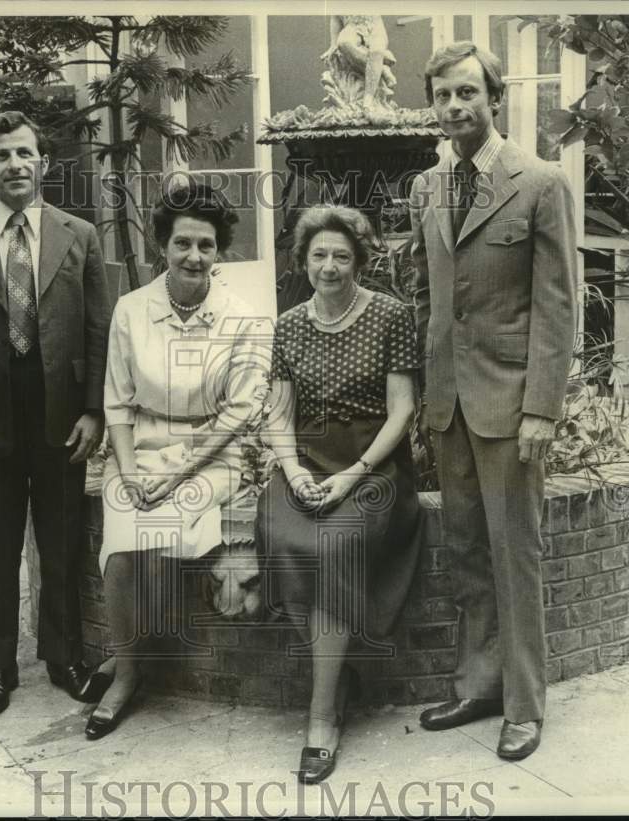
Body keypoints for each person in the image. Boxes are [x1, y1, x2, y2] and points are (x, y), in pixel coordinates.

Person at [409, 42, 577, 760]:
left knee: (517, 555)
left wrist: (542, 406)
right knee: (468, 551)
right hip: (450, 406)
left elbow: (559, 306)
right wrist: (424, 398)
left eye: (467, 94)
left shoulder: (539, 183)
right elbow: (428, 296)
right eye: (444, 95)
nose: (455, 107)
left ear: (493, 98)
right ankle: (478, 684)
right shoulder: (427, 187)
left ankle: (524, 704)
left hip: (511, 405)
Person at [0, 110, 112, 717]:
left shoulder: (79, 235)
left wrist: (95, 412)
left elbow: (96, 328)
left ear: (44, 163)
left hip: (62, 411)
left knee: (61, 542)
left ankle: (65, 659)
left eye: (24, 154)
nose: (14, 165)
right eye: (2, 156)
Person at [86, 182, 270, 740]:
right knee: (122, 542)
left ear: (219, 252)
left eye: (207, 246)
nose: (194, 256)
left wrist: (178, 473)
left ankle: (132, 656)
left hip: (212, 458)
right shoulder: (130, 310)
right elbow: (116, 404)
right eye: (182, 243)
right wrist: (130, 470)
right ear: (162, 246)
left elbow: (239, 415)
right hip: (139, 451)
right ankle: (129, 671)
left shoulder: (243, 317)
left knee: (163, 533)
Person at [255, 205, 424, 784]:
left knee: (334, 548)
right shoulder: (290, 324)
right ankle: (339, 672)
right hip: (306, 460)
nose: (329, 267)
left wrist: (353, 473)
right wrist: (291, 468)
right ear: (303, 260)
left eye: (341, 256)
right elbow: (279, 412)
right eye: (318, 255)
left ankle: (322, 716)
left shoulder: (390, 316)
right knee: (279, 531)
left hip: (371, 465)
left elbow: (403, 410)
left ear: (360, 261)